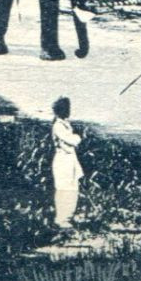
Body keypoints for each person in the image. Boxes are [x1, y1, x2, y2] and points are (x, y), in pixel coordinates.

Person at [50, 97, 83, 231]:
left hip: (69, 160)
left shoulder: (64, 124)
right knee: (64, 189)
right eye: (66, 109)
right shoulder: (58, 126)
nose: (68, 111)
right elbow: (72, 141)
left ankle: (67, 217)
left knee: (72, 189)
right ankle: (62, 219)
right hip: (63, 160)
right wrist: (78, 137)